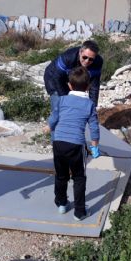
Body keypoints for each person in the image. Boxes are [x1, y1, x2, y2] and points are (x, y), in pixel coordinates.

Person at [47, 66, 100, 221]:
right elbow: (94, 126)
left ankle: (61, 204)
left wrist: (48, 126)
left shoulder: (62, 100)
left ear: (69, 85)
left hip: (58, 143)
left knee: (61, 175)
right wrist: (95, 146)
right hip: (75, 146)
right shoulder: (89, 104)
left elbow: (54, 118)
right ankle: (79, 212)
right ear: (88, 87)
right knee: (78, 178)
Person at [44, 40, 103, 106]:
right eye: (85, 57)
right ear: (80, 52)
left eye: (91, 59)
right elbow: (57, 78)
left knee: (76, 105)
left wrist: (93, 106)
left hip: (71, 80)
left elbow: (94, 86)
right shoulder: (68, 57)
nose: (87, 61)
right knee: (59, 107)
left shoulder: (98, 62)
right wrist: (64, 99)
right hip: (53, 77)